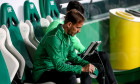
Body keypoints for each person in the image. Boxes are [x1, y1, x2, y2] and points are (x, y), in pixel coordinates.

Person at [33, 9, 94, 84]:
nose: (79, 31)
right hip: (44, 71)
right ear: (69, 24)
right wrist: (81, 68)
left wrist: (86, 64)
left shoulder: (67, 36)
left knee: (86, 71)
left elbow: (74, 57)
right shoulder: (53, 38)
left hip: (55, 68)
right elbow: (59, 65)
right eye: (78, 27)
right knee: (70, 76)